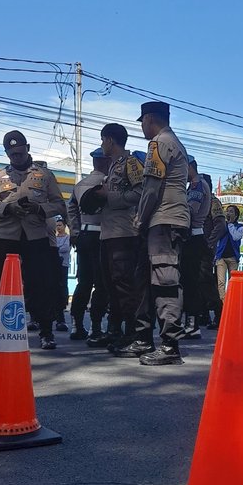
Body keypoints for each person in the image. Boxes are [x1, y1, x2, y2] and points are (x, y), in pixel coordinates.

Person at [0, 130, 66, 350]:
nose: (16, 157)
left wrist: (39, 208)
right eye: (12, 154)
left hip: (35, 236)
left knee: (41, 283)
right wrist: (7, 208)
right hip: (5, 237)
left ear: (27, 149)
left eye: (19, 153)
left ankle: (46, 331)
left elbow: (58, 204)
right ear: (7, 154)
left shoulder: (45, 175)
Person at [131, 100, 190, 365]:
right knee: (147, 279)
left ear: (150, 119)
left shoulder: (159, 143)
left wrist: (140, 219)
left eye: (142, 121)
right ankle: (145, 339)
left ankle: (169, 347)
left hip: (164, 220)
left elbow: (152, 188)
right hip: (165, 220)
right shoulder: (172, 142)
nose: (142, 127)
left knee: (165, 280)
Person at [90, 124, 144, 352]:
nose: (102, 145)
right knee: (109, 284)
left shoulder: (131, 163)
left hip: (124, 233)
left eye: (103, 140)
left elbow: (141, 192)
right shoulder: (113, 167)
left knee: (124, 285)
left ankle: (133, 333)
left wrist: (108, 196)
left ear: (110, 140)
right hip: (108, 233)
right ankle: (114, 330)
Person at [67, 149, 110, 343]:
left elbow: (71, 209)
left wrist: (75, 232)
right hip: (104, 235)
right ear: (105, 162)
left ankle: (76, 324)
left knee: (83, 281)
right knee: (102, 283)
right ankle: (95, 325)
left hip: (84, 234)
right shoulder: (108, 183)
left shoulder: (80, 185)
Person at [178, 156, 212, 340]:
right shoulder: (194, 185)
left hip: (194, 237)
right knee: (188, 282)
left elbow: (190, 211)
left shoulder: (197, 185)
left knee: (191, 283)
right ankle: (190, 322)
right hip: (193, 237)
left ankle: (192, 324)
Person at [199, 173, 225, 330]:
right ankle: (203, 314)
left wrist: (210, 243)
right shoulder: (197, 201)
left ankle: (219, 313)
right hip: (195, 245)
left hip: (205, 247)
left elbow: (220, 225)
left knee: (207, 281)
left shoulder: (213, 202)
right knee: (197, 282)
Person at [215, 205, 243, 300]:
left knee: (232, 282)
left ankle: (231, 301)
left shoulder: (239, 227)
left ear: (236, 215)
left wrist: (230, 224)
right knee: (220, 282)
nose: (228, 213)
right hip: (221, 257)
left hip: (233, 258)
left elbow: (236, 237)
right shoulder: (222, 226)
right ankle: (222, 303)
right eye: (227, 211)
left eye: (231, 211)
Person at [55, 217, 70, 330]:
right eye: (57, 225)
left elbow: (65, 249)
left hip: (63, 264)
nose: (58, 227)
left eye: (60, 225)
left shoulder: (68, 238)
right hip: (55, 264)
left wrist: (56, 249)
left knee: (63, 284)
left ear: (64, 226)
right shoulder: (54, 238)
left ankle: (63, 303)